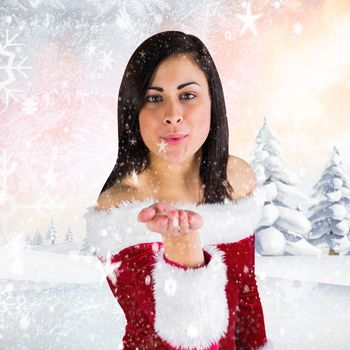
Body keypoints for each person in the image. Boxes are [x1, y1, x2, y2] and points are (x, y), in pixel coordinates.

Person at [84, 31, 272, 349]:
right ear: (134, 113)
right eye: (154, 98)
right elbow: (174, 337)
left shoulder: (236, 177)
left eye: (187, 95)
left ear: (212, 101)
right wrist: (183, 255)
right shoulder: (121, 207)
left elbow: (246, 300)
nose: (172, 114)